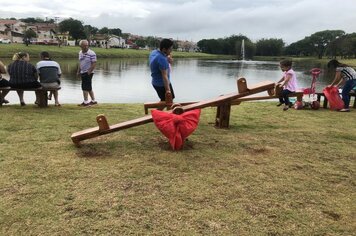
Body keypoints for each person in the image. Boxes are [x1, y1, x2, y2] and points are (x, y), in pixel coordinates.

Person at [149, 38, 175, 102]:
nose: (171, 51)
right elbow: (164, 76)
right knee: (168, 100)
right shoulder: (162, 59)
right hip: (162, 84)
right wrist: (168, 91)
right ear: (164, 49)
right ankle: (156, 112)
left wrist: (167, 58)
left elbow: (160, 60)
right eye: (170, 49)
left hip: (156, 82)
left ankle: (156, 112)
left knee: (165, 100)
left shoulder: (154, 52)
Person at [77, 39, 97, 106]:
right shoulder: (80, 53)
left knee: (84, 87)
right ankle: (93, 101)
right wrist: (78, 71)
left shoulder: (92, 53)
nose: (86, 47)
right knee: (88, 87)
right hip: (82, 71)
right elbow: (80, 62)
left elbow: (94, 63)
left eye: (87, 45)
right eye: (84, 45)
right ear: (81, 46)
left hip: (88, 72)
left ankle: (86, 102)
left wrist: (89, 72)